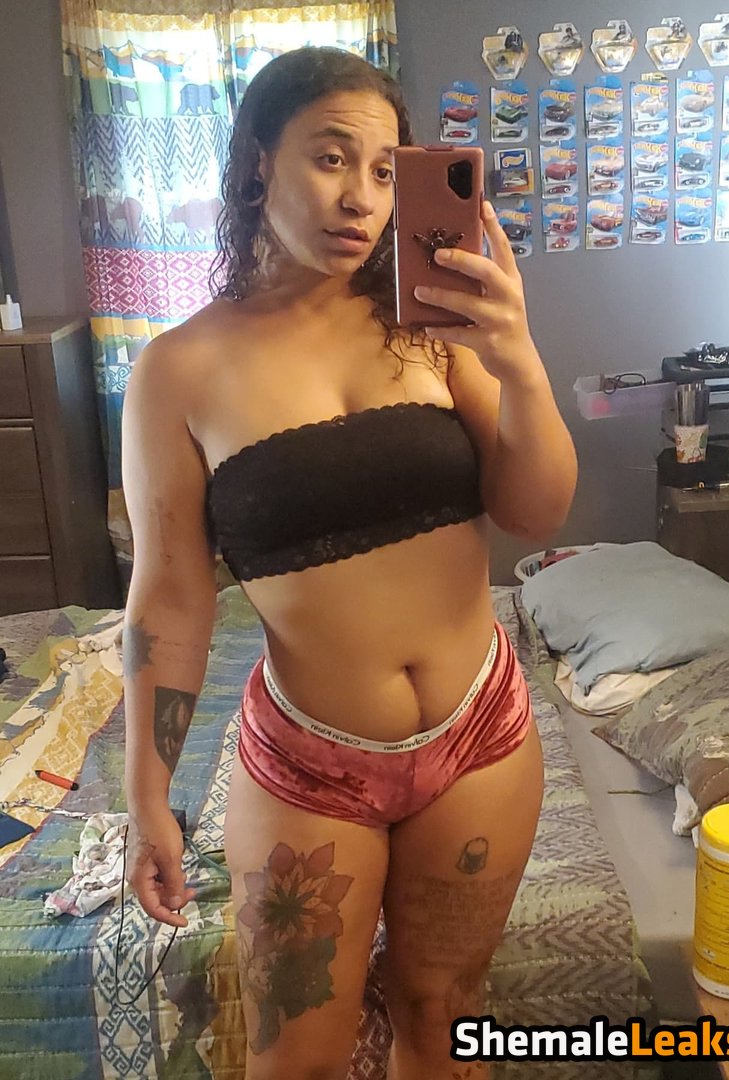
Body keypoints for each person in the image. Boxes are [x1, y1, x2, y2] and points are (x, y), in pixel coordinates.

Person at [121, 45, 577, 1080]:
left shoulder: (434, 328)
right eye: (330, 159)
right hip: (309, 762)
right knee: (297, 1060)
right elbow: (173, 598)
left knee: (442, 1016)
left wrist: (518, 361)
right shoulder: (179, 369)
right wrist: (149, 793)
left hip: (481, 735)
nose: (361, 198)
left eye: (382, 171)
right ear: (257, 162)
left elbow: (535, 510)